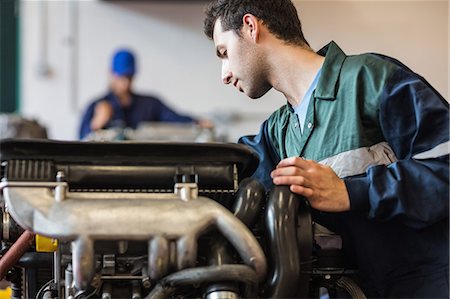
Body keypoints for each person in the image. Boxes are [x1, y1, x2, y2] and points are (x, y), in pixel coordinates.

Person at [203, 0, 449, 298]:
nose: (224, 74)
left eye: (224, 53)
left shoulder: (368, 80)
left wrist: (351, 192)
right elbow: (224, 176)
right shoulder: (278, 133)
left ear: (251, 27)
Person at [79, 49, 210, 139]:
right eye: (121, 77)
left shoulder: (149, 104)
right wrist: (97, 123)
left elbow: (173, 117)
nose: (125, 83)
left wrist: (197, 122)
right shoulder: (96, 106)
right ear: (111, 74)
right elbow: (80, 143)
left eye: (129, 78)